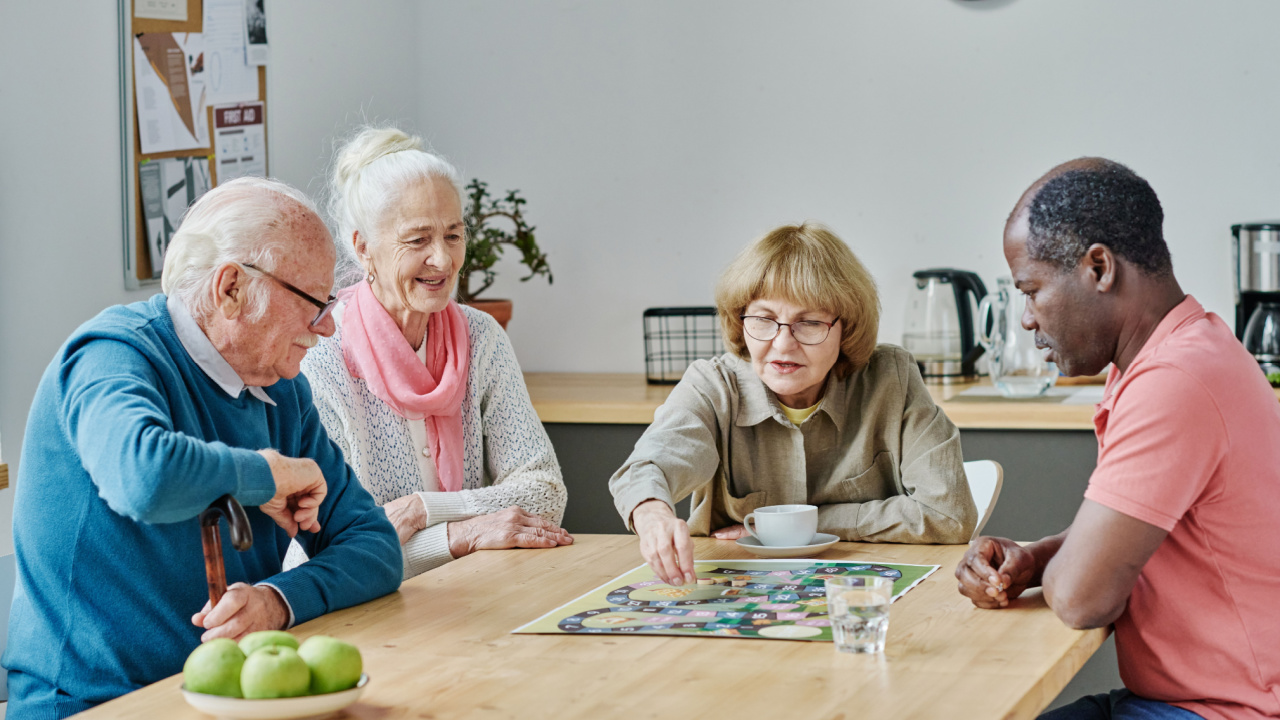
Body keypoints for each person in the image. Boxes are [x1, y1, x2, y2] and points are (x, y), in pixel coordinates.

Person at [1, 177, 402, 719]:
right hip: (91, 705)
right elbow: (145, 478)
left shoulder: (280, 388)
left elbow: (374, 546)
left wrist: (277, 602)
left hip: (226, 699)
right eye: (314, 303)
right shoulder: (111, 355)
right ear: (231, 287)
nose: (328, 328)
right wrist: (267, 473)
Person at [955, 158, 1280, 720]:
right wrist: (1035, 559)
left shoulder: (1174, 382)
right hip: (1178, 702)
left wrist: (1069, 566)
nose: (1028, 319)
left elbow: (1083, 598)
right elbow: (1149, 533)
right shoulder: (1175, 353)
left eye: (1031, 290)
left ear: (1099, 267)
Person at [610, 223, 977, 586]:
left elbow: (949, 514)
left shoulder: (891, 378)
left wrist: (801, 525)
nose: (783, 344)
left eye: (810, 322)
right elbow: (646, 467)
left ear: (845, 329)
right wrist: (652, 513)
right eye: (764, 319)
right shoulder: (713, 385)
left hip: (864, 595)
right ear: (740, 321)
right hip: (739, 593)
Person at [294, 127, 570, 580]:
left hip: (477, 595)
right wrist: (461, 535)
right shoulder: (320, 357)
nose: (442, 260)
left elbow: (544, 491)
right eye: (418, 240)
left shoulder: (480, 336)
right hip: (366, 614)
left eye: (453, 235)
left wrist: (421, 510)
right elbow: (326, 554)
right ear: (364, 247)